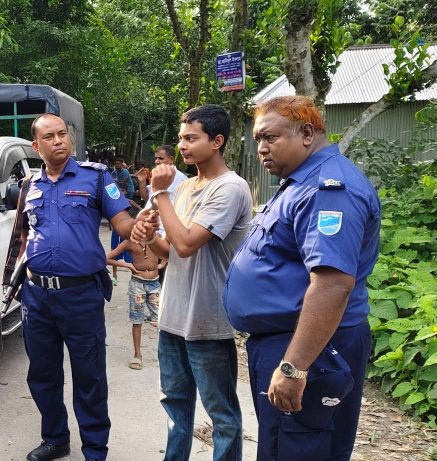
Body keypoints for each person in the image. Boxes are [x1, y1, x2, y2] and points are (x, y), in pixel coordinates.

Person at [225, 96, 381, 461]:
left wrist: (295, 366)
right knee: (282, 443)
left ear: (307, 133)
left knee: (299, 447)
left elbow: (332, 285)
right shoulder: (299, 183)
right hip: (291, 342)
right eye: (257, 140)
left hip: (311, 346)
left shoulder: (329, 191)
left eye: (270, 138)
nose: (261, 149)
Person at [132, 104, 252, 461]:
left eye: (191, 138)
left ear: (217, 141)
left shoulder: (231, 188)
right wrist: (147, 234)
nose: (182, 146)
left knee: (222, 416)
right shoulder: (184, 189)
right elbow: (169, 248)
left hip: (209, 322)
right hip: (173, 317)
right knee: (175, 407)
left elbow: (186, 244)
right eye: (180, 138)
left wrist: (159, 194)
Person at [18, 113, 136, 461]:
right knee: (42, 375)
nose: (59, 141)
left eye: (62, 134)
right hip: (36, 296)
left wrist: (138, 227)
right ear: (36, 146)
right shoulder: (29, 186)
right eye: (50, 137)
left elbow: (123, 221)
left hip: (81, 295)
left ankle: (95, 450)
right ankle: (55, 439)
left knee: (90, 377)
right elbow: (24, 235)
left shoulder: (96, 178)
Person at [106, 239, 166, 371]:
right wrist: (127, 265)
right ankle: (137, 354)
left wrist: (162, 264)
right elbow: (106, 259)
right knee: (137, 320)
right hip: (137, 284)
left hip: (155, 284)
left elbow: (169, 252)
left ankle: (166, 354)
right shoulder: (129, 243)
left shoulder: (158, 239)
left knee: (162, 320)